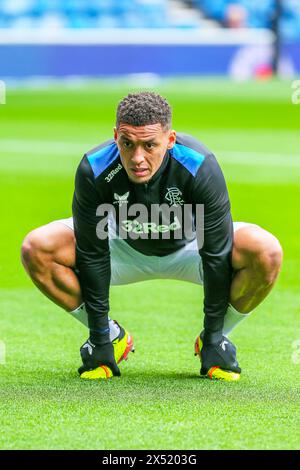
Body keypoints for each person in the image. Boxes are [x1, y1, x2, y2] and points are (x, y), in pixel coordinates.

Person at [21, 91, 283, 381]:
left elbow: (215, 254)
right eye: (127, 143)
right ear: (115, 136)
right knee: (37, 247)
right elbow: (92, 254)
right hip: (121, 247)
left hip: (191, 246)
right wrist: (99, 338)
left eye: (149, 145)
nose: (137, 158)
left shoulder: (199, 164)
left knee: (266, 250)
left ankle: (216, 340)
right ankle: (111, 335)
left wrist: (213, 336)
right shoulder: (94, 167)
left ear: (169, 140)